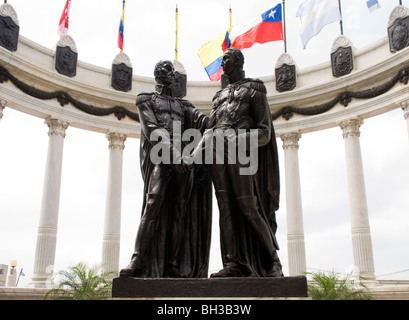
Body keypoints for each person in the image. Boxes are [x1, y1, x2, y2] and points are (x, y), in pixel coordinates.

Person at [192, 48, 283, 277]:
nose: (222, 63)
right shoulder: (218, 96)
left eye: (226, 59)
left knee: (248, 207)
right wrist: (193, 156)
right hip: (217, 152)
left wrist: (238, 139)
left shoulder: (254, 89)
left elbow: (265, 132)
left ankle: (273, 261)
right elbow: (210, 130)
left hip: (240, 153)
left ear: (239, 61)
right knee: (225, 208)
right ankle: (232, 263)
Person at [120, 60, 212, 278]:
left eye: (169, 70)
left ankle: (173, 262)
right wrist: (176, 157)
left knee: (180, 210)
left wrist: (224, 120)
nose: (165, 73)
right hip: (162, 158)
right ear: (156, 75)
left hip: (184, 163)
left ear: (173, 76)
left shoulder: (184, 105)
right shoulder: (145, 99)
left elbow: (206, 123)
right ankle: (138, 259)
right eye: (161, 69)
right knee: (153, 204)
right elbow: (152, 130)